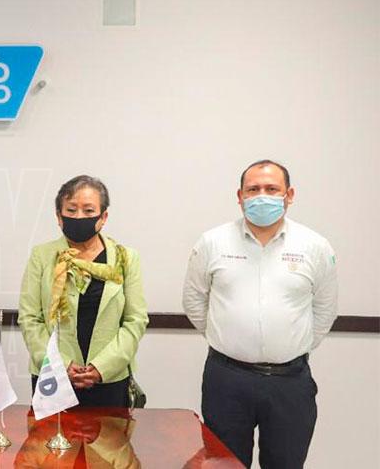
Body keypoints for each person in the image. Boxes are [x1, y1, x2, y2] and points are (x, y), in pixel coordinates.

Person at [182, 159, 338, 468]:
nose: (261, 196)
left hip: (290, 382)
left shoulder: (315, 246)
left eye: (271, 189)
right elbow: (194, 301)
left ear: (289, 195)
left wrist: (291, 346)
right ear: (239, 196)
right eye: (253, 189)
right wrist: (226, 337)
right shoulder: (212, 242)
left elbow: (325, 308)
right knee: (223, 465)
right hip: (227, 379)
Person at [18, 175, 147, 407]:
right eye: (71, 210)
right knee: (49, 433)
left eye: (88, 211)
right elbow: (30, 318)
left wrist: (102, 367)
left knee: (111, 432)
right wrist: (61, 364)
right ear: (59, 217)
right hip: (53, 375)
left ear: (103, 217)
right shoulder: (42, 256)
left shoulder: (126, 258)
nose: (79, 217)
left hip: (110, 379)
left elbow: (135, 320)